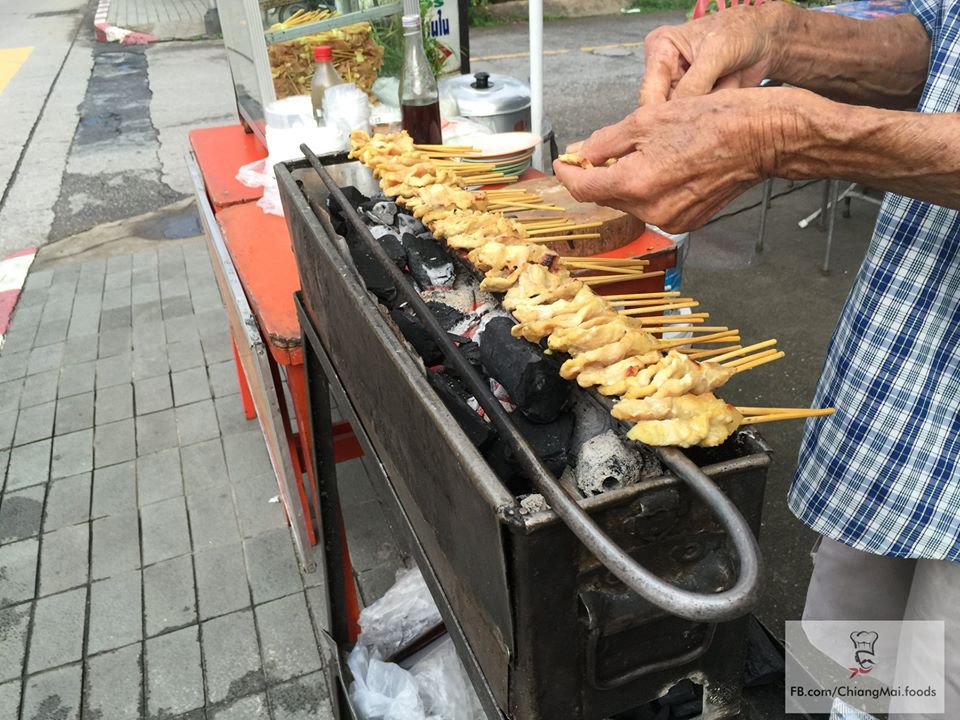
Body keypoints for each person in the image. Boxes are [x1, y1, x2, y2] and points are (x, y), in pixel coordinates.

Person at [553, 2, 959, 718]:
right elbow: (939, 43)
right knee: (841, 673)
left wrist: (790, 136)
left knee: (937, 690)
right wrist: (778, 38)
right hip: (909, 380)